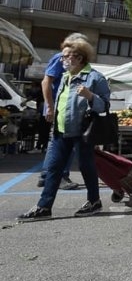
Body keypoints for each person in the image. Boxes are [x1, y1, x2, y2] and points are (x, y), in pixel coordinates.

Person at [18, 37, 111, 220]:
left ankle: (94, 201)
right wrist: (51, 111)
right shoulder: (66, 77)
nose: (62, 60)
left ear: (78, 57)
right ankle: (44, 207)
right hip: (60, 130)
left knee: (86, 167)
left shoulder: (95, 78)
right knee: (53, 169)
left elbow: (105, 107)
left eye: (65, 56)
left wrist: (90, 96)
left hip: (82, 132)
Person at [37, 33, 88, 190]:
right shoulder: (63, 57)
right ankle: (58, 176)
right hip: (60, 107)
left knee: (58, 142)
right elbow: (46, 81)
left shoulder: (73, 59)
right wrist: (50, 107)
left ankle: (48, 175)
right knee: (63, 143)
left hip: (64, 107)